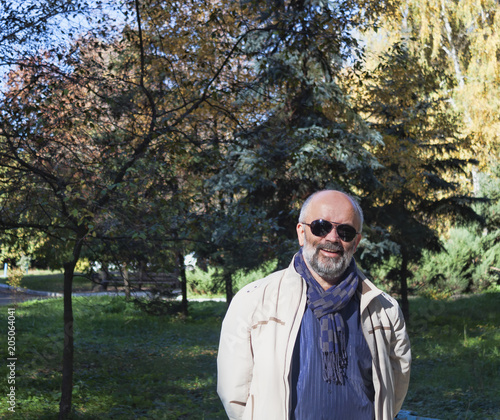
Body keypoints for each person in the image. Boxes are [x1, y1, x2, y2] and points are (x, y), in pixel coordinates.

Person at [217, 190, 411, 420]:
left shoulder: (383, 309)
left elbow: (395, 390)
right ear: (301, 233)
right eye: (321, 227)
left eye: (345, 231)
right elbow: (234, 394)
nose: (332, 238)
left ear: (356, 242)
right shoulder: (253, 301)